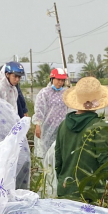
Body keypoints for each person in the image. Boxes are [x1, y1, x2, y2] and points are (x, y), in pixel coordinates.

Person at [55, 77, 108, 201]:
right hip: (89, 194)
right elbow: (105, 161)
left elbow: (58, 162)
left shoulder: (63, 125)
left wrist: (63, 184)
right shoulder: (99, 126)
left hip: (65, 190)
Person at [33, 67, 70, 197]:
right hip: (47, 129)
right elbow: (39, 109)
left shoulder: (66, 93)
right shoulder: (45, 93)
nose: (60, 83)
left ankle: (59, 183)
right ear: (52, 79)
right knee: (47, 156)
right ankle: (46, 185)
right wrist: (38, 124)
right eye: (58, 80)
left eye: (62, 80)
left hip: (61, 128)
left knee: (60, 155)